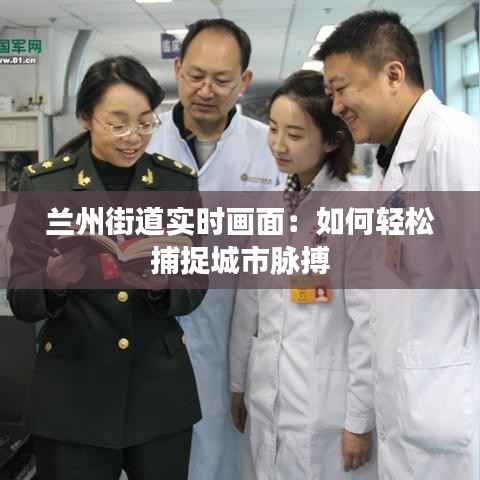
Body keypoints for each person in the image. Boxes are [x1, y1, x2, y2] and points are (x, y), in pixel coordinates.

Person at [7, 56, 206, 480]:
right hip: (72, 397)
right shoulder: (45, 185)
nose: (133, 137)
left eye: (145, 123)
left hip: (158, 395)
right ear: (86, 117)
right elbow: (21, 297)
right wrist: (51, 281)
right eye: (117, 124)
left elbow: (196, 283)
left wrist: (162, 284)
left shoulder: (176, 184)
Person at [316, 10, 480, 479]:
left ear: (393, 74)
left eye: (341, 88)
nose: (335, 106)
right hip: (413, 417)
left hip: (449, 421)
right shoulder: (391, 163)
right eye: (330, 93)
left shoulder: (451, 143)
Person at [148, 18, 281, 480]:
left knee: (227, 459)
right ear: (178, 70)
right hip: (153, 338)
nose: (206, 90)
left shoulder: (269, 147)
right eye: (196, 75)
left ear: (244, 81)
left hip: (237, 339)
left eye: (222, 80)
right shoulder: (143, 143)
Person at [229, 70, 377, 480]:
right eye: (273, 128)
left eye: (294, 134)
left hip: (327, 407)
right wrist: (239, 383)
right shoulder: (268, 206)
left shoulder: (355, 209)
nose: (278, 144)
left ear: (331, 140)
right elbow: (248, 305)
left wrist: (359, 420)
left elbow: (366, 324)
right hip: (267, 396)